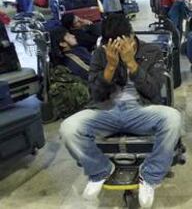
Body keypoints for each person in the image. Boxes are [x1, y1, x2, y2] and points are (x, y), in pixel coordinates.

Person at [59, 13, 182, 208]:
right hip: (106, 110)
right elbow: (95, 95)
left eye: (123, 43)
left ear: (132, 36)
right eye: (112, 44)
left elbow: (153, 91)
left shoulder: (152, 51)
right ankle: (100, 170)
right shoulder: (100, 53)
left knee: (173, 119)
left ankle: (149, 176)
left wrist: (132, 63)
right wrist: (110, 66)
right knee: (68, 128)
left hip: (141, 110)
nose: (118, 48)